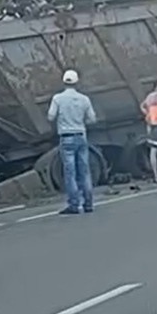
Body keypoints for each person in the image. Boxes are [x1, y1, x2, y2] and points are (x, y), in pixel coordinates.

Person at [47, 68, 99, 214]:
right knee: (85, 170)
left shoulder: (57, 98)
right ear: (77, 82)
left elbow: (51, 116)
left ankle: (74, 204)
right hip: (81, 135)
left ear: (64, 82)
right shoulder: (84, 99)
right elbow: (92, 119)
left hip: (66, 136)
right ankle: (88, 203)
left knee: (70, 172)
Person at [140, 80, 157, 183]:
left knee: (155, 149)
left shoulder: (150, 96)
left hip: (152, 124)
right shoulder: (156, 96)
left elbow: (142, 105)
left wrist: (147, 115)